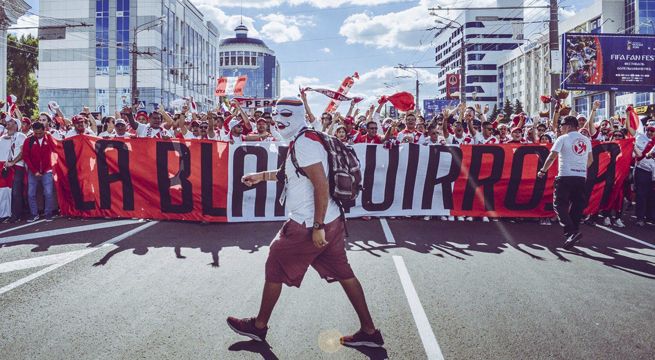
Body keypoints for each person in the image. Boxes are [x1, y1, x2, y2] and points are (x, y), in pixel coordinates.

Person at [227, 97, 384, 348]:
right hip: (331, 220)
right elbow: (290, 174)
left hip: (309, 224)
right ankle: (369, 331)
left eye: (286, 115)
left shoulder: (304, 144)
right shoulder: (307, 138)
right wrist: (260, 176)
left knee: (275, 263)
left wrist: (317, 226)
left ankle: (258, 326)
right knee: (345, 273)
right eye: (277, 114)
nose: (279, 120)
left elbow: (320, 184)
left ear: (298, 116)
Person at [538, 115, 593, 249]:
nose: (560, 128)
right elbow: (590, 161)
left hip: (565, 176)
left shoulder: (562, 138)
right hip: (580, 177)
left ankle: (571, 232)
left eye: (562, 125)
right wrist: (579, 168)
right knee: (577, 206)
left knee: (559, 205)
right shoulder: (586, 140)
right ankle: (573, 232)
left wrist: (543, 170)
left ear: (568, 126)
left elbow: (552, 156)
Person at [21, 122, 57, 222]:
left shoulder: (49, 138)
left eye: (40, 133)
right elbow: (26, 156)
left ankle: (48, 213)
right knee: (30, 194)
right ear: (33, 131)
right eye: (35, 133)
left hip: (47, 170)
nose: (38, 135)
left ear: (44, 130)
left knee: (48, 193)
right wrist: (34, 171)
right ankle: (34, 214)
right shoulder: (28, 140)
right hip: (33, 171)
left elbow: (58, 148)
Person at [0, 117, 27, 222]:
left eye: (11, 121)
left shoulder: (20, 136)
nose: (8, 122)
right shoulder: (2, 138)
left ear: (16, 125)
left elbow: (22, 152)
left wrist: (13, 162)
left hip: (17, 167)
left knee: (15, 191)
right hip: (4, 168)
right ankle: (5, 213)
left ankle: (16, 215)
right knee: (4, 192)